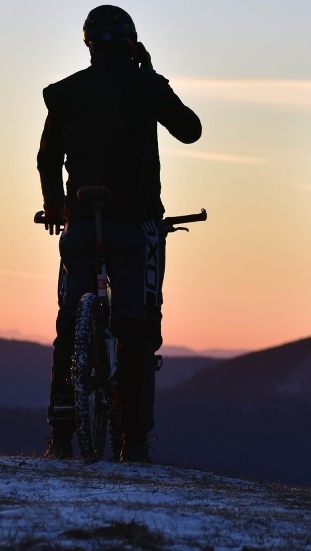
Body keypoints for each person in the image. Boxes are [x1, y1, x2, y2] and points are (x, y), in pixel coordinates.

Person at [36, 5, 202, 462]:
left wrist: (55, 206)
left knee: (69, 323)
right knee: (139, 327)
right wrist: (151, 75)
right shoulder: (145, 85)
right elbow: (190, 130)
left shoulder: (66, 93)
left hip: (80, 224)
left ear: (87, 44)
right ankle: (133, 442)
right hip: (136, 222)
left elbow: (47, 159)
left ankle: (63, 437)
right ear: (131, 44)